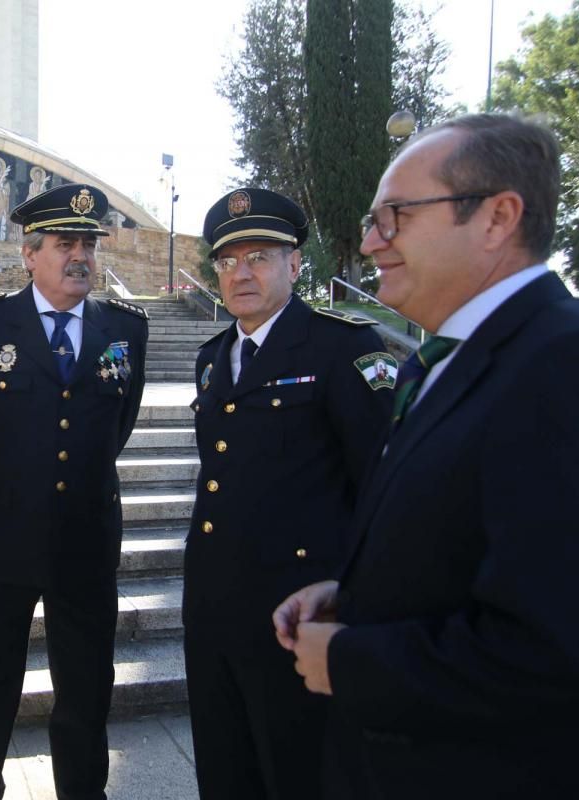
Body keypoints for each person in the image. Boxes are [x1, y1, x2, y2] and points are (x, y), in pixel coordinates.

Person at [274, 113, 579, 799]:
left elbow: (560, 649)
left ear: (497, 218)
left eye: (395, 216)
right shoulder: (434, 364)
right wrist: (355, 598)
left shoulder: (574, 363)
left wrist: (352, 659)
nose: (371, 242)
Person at [184, 188, 395, 800]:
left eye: (258, 256)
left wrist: (355, 606)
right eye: (227, 262)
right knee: (224, 772)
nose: (240, 274)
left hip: (296, 612)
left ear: (295, 264)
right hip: (214, 610)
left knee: (297, 773)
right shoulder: (212, 357)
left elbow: (379, 487)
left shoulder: (340, 345)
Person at [0, 184, 149, 800]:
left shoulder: (125, 328)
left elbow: (119, 423)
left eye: (88, 243)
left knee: (86, 691)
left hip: (85, 540)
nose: (80, 255)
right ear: (30, 254)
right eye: (66, 244)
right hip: (2, 537)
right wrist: (15, 480)